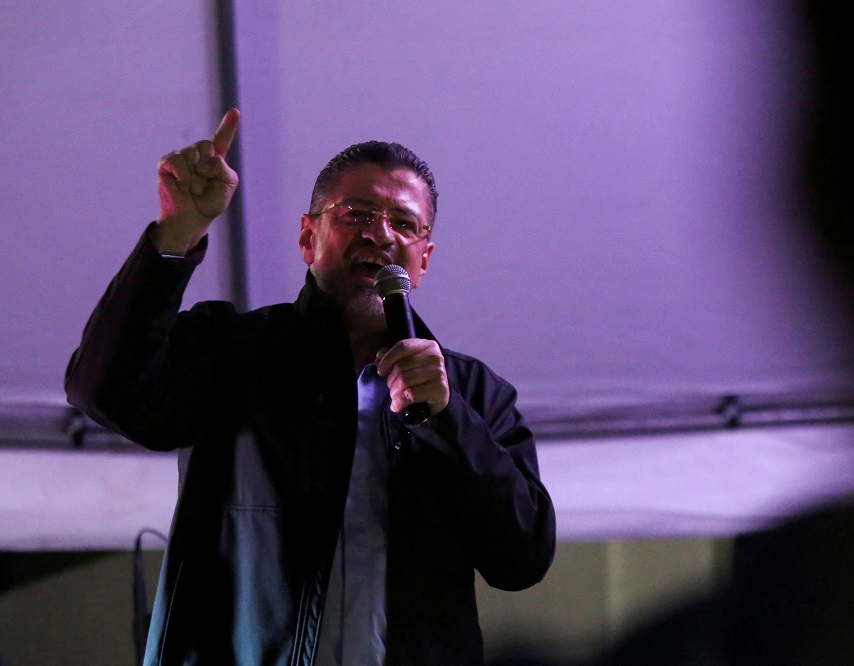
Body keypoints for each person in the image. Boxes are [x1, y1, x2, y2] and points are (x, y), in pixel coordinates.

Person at [65, 109, 557, 665]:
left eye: (405, 223)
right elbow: (100, 390)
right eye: (356, 213)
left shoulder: (474, 393)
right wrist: (178, 230)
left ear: (423, 260)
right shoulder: (232, 350)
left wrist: (449, 421)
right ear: (308, 236)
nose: (380, 233)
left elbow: (523, 558)